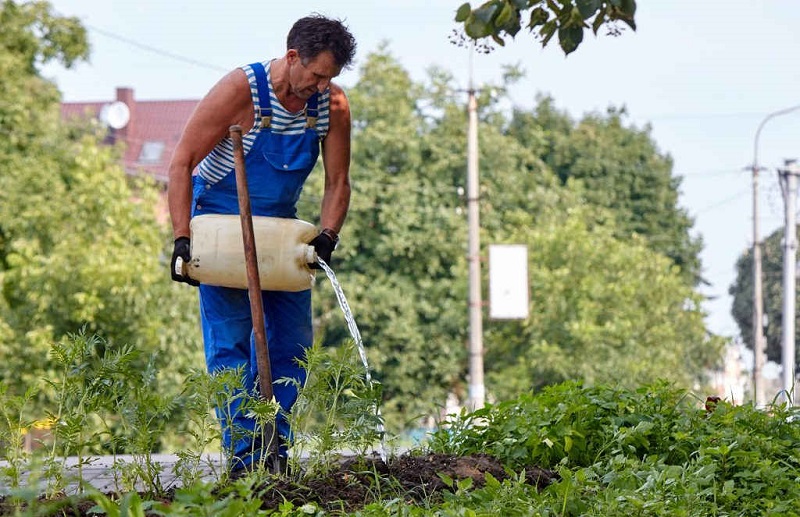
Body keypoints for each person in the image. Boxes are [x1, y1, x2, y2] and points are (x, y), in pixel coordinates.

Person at [167, 15, 356, 475]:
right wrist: (181, 239)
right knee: (232, 346)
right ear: (293, 57)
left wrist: (328, 235)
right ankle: (243, 461)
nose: (321, 84)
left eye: (330, 76)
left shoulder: (331, 105)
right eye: (315, 74)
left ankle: (275, 452)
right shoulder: (242, 89)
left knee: (291, 344)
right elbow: (181, 162)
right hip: (219, 224)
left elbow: (338, 183)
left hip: (279, 231)